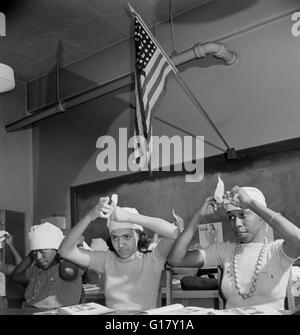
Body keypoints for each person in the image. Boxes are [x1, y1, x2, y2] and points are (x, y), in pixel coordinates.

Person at [168, 185, 300, 310]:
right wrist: (199, 215)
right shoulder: (225, 251)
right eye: (231, 217)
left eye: (243, 215)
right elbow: (176, 259)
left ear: (260, 217)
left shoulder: (277, 251)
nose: (236, 223)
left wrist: (250, 203)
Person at [58, 196, 180, 311]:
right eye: (115, 238)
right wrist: (90, 216)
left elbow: (174, 232)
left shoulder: (153, 257)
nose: (120, 244)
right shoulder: (107, 259)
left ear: (139, 235)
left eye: (126, 237)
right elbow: (65, 251)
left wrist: (130, 217)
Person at [11, 222, 84, 309]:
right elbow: (15, 277)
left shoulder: (69, 267)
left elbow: (67, 272)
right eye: (35, 252)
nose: (38, 257)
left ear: (57, 249)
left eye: (42, 251)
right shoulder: (36, 270)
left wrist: (66, 246)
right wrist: (32, 253)